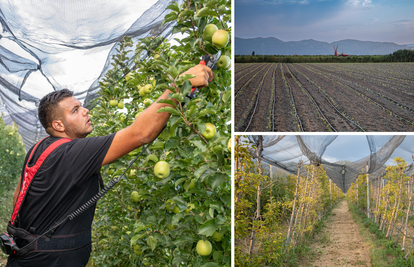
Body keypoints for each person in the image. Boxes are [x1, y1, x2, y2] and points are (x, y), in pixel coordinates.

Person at [6, 64, 212, 267]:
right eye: (76, 110)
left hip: (25, 256)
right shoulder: (72, 153)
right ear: (58, 125)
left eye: (81, 106)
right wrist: (179, 85)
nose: (86, 111)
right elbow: (141, 133)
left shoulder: (39, 148)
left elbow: (18, 196)